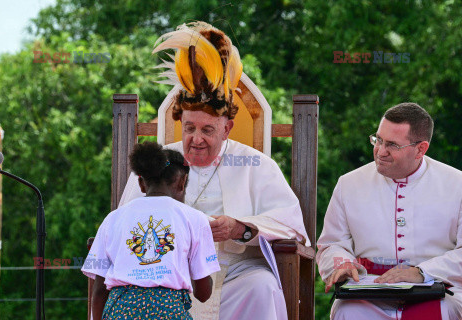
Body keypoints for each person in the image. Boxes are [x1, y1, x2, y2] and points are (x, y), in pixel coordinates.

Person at [119, 21, 310, 320]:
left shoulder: (256, 164)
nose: (196, 139)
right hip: (168, 277)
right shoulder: (158, 162)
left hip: (236, 276)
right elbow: (125, 223)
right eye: (190, 128)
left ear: (227, 128)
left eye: (208, 129)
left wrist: (239, 228)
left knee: (261, 286)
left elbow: (292, 227)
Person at [316, 102, 462, 320]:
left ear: (421, 149)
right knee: (347, 311)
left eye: (392, 145)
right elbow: (331, 244)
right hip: (368, 292)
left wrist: (422, 273)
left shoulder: (457, 184)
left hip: (438, 292)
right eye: (378, 140)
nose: (380, 151)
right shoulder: (349, 184)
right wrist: (343, 262)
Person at [82, 142, 220, 319]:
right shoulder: (195, 218)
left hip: (121, 311)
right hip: (169, 313)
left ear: (141, 183)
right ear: (182, 182)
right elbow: (203, 293)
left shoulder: (113, 219)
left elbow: (100, 290)